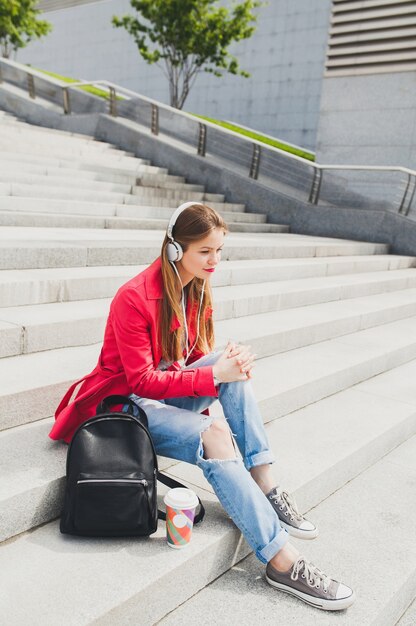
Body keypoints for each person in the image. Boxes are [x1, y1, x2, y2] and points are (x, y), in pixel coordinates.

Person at [50, 201, 355, 611]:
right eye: (205, 251)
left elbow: (192, 358)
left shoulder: (195, 287)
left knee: (235, 369)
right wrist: (214, 377)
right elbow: (141, 381)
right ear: (176, 249)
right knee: (215, 430)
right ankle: (283, 562)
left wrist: (227, 363)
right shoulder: (133, 297)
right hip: (125, 409)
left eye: (220, 251)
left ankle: (265, 484)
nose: (215, 261)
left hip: (163, 395)